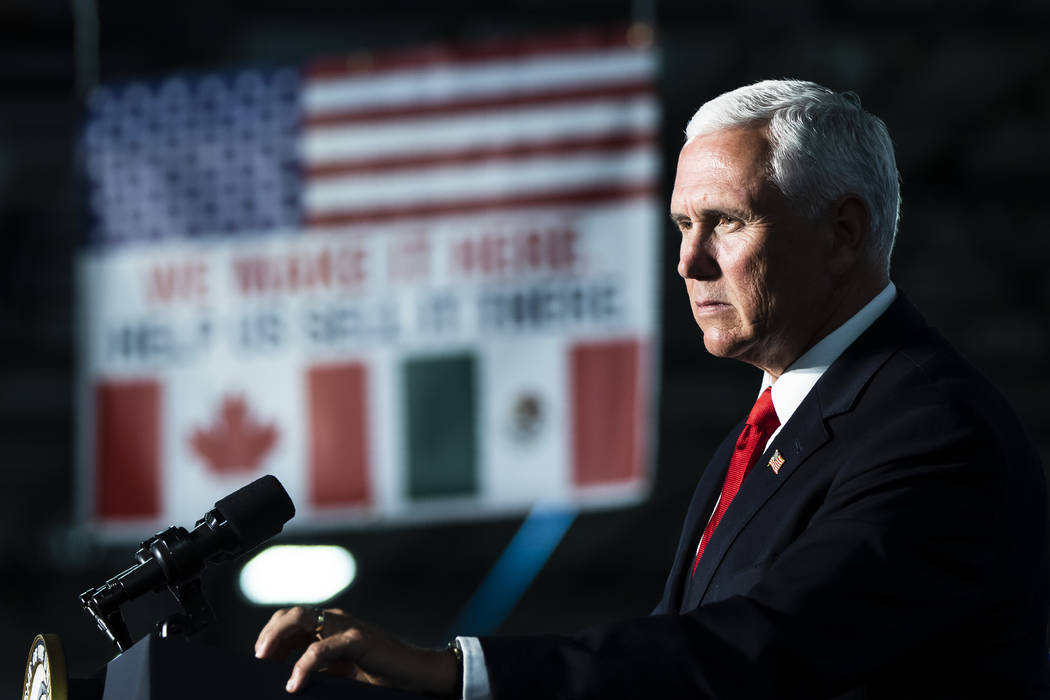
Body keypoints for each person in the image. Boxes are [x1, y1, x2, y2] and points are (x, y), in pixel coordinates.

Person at [254, 80, 1050, 698]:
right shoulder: (778, 427)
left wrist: (458, 672)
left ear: (842, 233)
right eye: (681, 226)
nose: (688, 262)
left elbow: (763, 652)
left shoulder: (932, 428)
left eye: (726, 222)